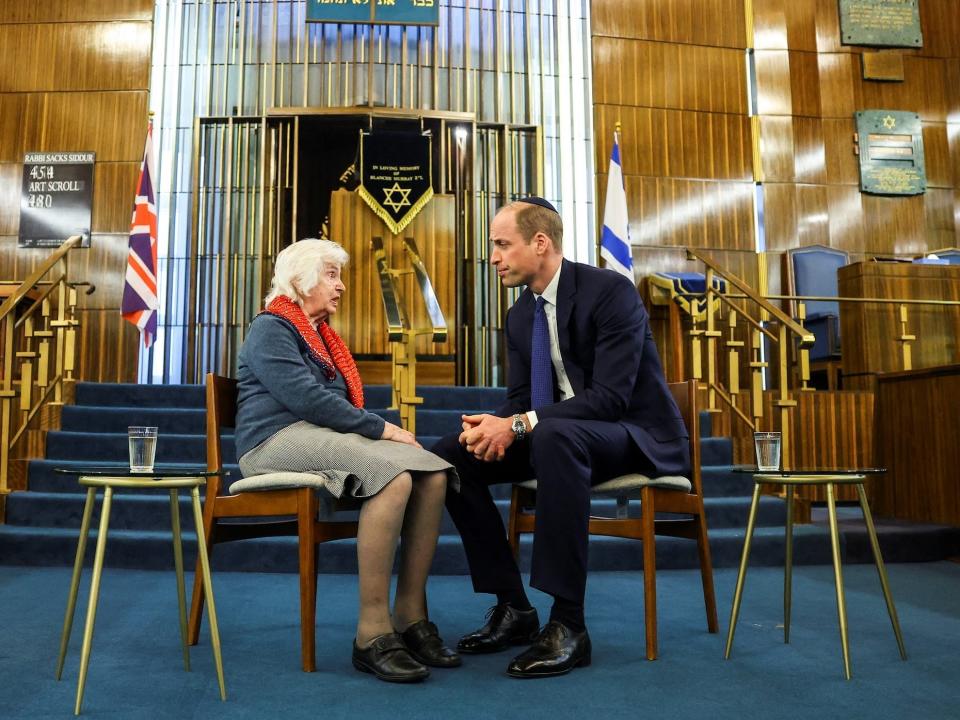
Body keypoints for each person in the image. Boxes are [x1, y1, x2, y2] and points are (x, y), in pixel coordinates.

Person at [432, 198, 689, 678]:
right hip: (563, 433)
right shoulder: (518, 315)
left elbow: (610, 399)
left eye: (502, 244)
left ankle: (569, 622)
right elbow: (521, 398)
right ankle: (514, 606)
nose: (493, 256)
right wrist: (495, 424)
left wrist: (521, 424)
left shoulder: (610, 292)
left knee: (553, 437)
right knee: (452, 454)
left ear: (541, 243)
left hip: (632, 434)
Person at [235, 238, 460, 683]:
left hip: (316, 435)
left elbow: (326, 408)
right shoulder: (271, 327)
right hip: (271, 442)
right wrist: (383, 428)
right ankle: (371, 634)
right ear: (300, 280)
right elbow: (309, 400)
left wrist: (381, 433)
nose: (340, 287)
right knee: (393, 474)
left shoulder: (321, 336)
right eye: (331, 275)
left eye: (340, 277)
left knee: (431, 472)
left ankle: (410, 617)